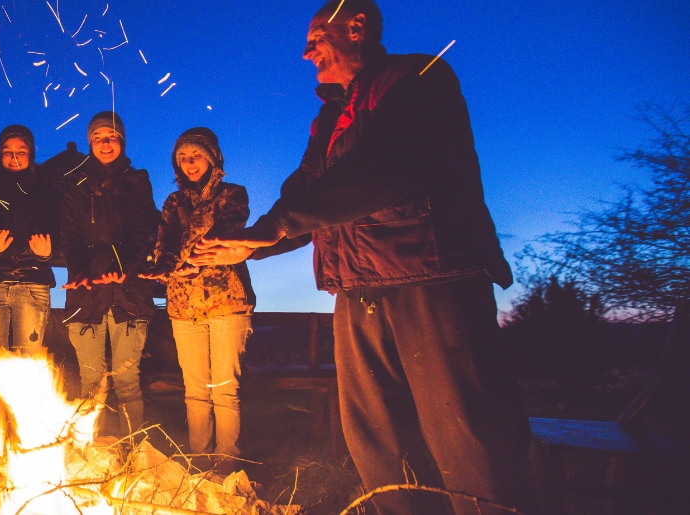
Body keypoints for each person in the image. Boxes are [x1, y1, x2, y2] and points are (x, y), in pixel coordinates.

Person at [192, 1, 536, 514]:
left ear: (356, 27)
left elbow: (384, 168)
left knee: (465, 435)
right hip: (356, 290)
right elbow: (308, 191)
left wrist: (279, 226)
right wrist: (256, 240)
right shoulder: (330, 117)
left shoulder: (418, 77)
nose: (306, 51)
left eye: (316, 36)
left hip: (429, 275)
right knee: (378, 439)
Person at [138, 128, 254, 471]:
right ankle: (200, 463)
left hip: (226, 302)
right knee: (195, 391)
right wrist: (162, 267)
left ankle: (226, 465)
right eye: (183, 158)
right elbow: (167, 242)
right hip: (183, 305)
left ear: (212, 157)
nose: (190, 163)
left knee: (224, 390)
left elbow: (225, 233)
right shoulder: (174, 203)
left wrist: (189, 261)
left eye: (196, 156)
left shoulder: (232, 195)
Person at [59, 111, 159, 433]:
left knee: (128, 381)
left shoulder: (137, 181)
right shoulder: (74, 182)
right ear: (90, 141)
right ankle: (90, 451)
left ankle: (134, 453)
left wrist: (124, 267)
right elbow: (69, 234)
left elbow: (143, 229)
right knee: (90, 380)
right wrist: (79, 272)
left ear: (122, 141)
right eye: (99, 137)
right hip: (86, 295)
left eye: (112, 136)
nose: (106, 142)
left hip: (129, 293)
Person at [0, 125, 58, 354]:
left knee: (31, 363)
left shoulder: (47, 193)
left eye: (21, 151)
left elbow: (62, 234)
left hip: (32, 283)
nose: (14, 157)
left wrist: (48, 251)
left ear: (31, 154)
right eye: (7, 151)